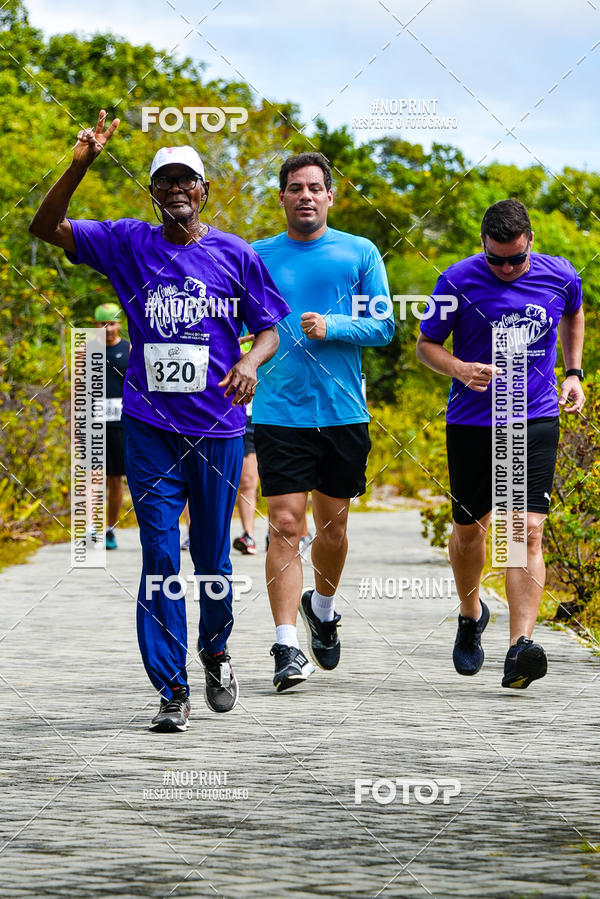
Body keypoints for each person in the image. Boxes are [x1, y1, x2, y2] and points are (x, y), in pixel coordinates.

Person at [30, 111, 289, 730]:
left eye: (187, 181)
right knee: (159, 554)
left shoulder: (235, 254)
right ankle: (171, 688)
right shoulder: (126, 241)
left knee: (212, 559)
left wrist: (251, 362)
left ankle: (217, 652)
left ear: (203, 190)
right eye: (165, 180)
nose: (176, 189)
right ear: (154, 191)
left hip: (218, 425)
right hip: (149, 423)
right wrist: (80, 163)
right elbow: (44, 226)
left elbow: (269, 331)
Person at [416, 198, 585, 689]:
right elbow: (427, 345)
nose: (507, 268)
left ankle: (519, 649)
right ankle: (471, 615)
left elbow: (574, 314)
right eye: (496, 259)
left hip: (531, 417)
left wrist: (572, 373)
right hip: (472, 422)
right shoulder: (456, 280)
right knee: (471, 532)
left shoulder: (560, 274)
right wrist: (460, 369)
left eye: (515, 258)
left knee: (525, 529)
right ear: (482, 248)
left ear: (530, 240)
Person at [252, 152, 394, 692]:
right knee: (287, 523)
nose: (305, 196)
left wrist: (331, 324)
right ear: (283, 197)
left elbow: (383, 327)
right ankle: (286, 646)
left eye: (315, 188)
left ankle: (324, 605)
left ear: (331, 197)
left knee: (334, 526)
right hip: (278, 410)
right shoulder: (257, 255)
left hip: (341, 411)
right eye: (295, 188)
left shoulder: (359, 252)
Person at [94, 302, 130, 550]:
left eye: (113, 323)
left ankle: (110, 528)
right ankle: (90, 527)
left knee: (115, 479)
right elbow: (78, 390)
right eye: (103, 324)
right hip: (94, 423)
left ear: (119, 324)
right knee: (92, 478)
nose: (108, 329)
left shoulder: (130, 348)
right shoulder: (88, 350)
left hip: (121, 423)